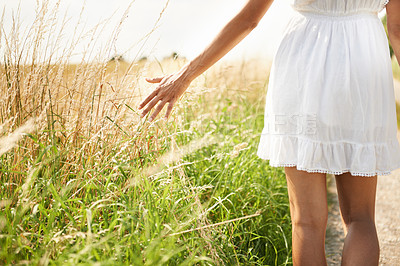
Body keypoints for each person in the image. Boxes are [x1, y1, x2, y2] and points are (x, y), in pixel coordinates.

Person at [138, 0, 400, 265]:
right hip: (366, 68)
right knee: (361, 218)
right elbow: (397, 31)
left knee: (307, 222)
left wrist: (186, 74)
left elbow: (249, 19)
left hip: (303, 69)